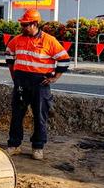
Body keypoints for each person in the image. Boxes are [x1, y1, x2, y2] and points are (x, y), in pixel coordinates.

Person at [5, 9, 70, 160]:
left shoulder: (49, 40)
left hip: (40, 84)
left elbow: (64, 60)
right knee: (17, 115)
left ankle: (38, 147)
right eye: (22, 24)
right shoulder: (17, 40)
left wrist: (55, 78)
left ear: (34, 24)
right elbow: (9, 55)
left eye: (25, 25)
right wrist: (14, 76)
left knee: (40, 116)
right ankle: (14, 145)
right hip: (21, 82)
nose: (22, 27)